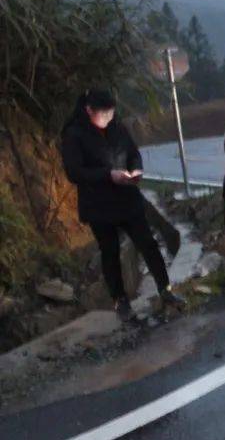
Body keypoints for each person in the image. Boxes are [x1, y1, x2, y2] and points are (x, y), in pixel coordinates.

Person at [60, 88, 186, 322]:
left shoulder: (117, 127)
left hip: (127, 197)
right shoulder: (74, 134)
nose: (109, 117)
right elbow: (74, 172)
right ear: (89, 110)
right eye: (104, 113)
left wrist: (135, 168)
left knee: (148, 243)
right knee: (110, 252)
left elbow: (133, 152)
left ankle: (166, 290)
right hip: (98, 204)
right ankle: (120, 300)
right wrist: (108, 175)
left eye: (111, 112)